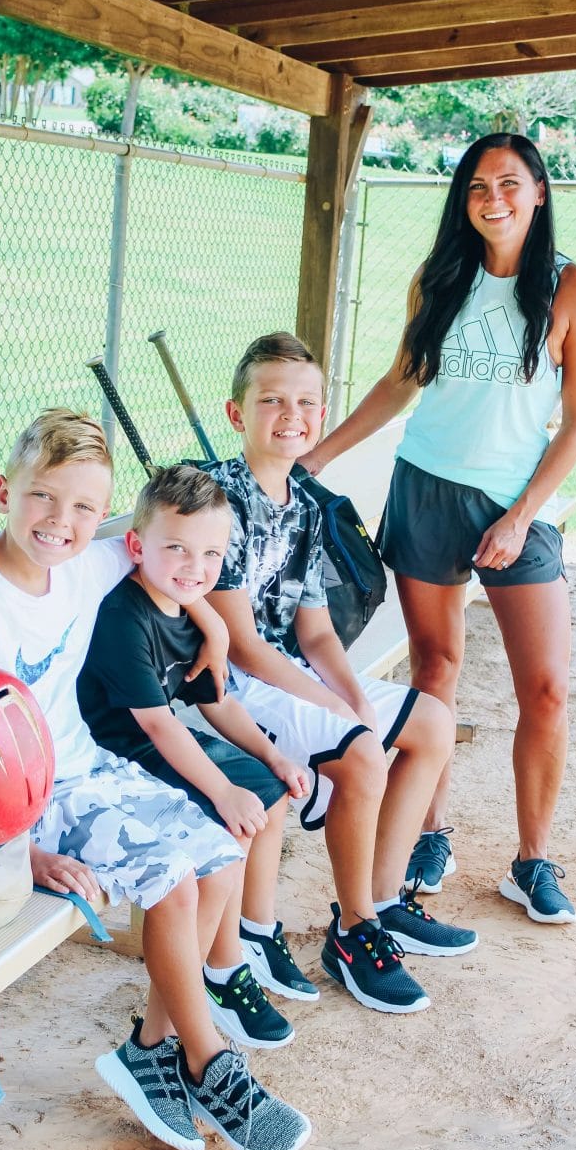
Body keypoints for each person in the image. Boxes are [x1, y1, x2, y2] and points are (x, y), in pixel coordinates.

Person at [0, 408, 310, 1150]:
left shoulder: (77, 563)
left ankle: (150, 1047)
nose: (60, 522)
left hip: (89, 771)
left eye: (82, 508)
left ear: (103, 518)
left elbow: (158, 563)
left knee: (223, 853)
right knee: (171, 881)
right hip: (27, 803)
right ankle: (207, 1062)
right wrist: (24, 854)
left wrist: (220, 629)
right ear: (5, 490)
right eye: (43, 497)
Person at [302, 133, 576, 925]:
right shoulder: (439, 279)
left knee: (545, 689)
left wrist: (521, 516)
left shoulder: (573, 291)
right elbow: (398, 384)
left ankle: (532, 860)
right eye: (477, 185)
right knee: (434, 669)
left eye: (510, 182)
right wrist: (318, 458)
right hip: (428, 489)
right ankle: (429, 832)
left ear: (539, 191)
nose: (493, 198)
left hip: (513, 503)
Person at [204, 333, 478, 1020]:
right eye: (271, 401)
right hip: (233, 687)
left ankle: (382, 899)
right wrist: (341, 713)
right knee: (359, 753)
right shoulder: (219, 501)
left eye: (305, 403)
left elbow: (316, 632)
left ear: (321, 416)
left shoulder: (305, 505)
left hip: (289, 671)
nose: (290, 415)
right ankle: (354, 932)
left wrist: (352, 698)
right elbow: (240, 645)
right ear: (238, 415)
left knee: (431, 723)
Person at [77, 463, 316, 1052]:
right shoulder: (124, 619)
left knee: (268, 789)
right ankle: (222, 968)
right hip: (117, 754)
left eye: (211, 554)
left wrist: (271, 754)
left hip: (156, 745)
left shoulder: (185, 609)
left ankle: (248, 937)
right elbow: (158, 725)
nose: (195, 567)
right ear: (137, 546)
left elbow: (219, 700)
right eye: (176, 548)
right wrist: (222, 790)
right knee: (233, 815)